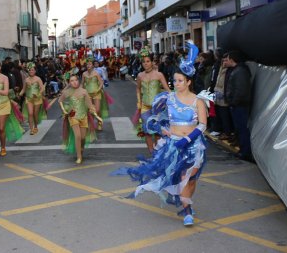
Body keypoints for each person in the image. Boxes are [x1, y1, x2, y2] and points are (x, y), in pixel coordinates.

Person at [113, 41, 208, 227]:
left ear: (188, 82)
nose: (175, 83)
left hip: (194, 145)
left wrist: (188, 138)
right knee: (182, 178)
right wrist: (160, 128)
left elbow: (203, 125)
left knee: (191, 181)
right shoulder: (168, 99)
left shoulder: (198, 101)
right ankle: (187, 211)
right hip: (173, 144)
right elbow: (155, 118)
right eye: (175, 80)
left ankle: (187, 201)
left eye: (180, 80)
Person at [59, 73, 102, 164]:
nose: (74, 82)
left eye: (76, 80)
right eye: (71, 81)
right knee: (77, 136)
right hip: (73, 116)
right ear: (69, 83)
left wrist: (97, 116)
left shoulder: (84, 91)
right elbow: (60, 101)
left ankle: (81, 147)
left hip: (83, 117)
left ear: (78, 81)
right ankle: (79, 156)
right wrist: (64, 110)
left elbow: (90, 105)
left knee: (82, 137)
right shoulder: (68, 92)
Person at [135, 50, 170, 153]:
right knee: (147, 131)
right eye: (144, 62)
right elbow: (138, 89)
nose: (145, 63)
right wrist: (139, 101)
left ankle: (158, 151)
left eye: (148, 61)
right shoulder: (140, 76)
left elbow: (167, 90)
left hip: (158, 108)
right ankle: (152, 152)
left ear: (152, 62)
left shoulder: (159, 75)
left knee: (158, 131)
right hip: (145, 107)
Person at [223, 51, 253, 161]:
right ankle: (242, 150)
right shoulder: (236, 70)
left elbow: (241, 90)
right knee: (239, 129)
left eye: (228, 59)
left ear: (232, 59)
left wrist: (233, 102)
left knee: (242, 129)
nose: (226, 61)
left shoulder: (240, 72)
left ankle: (245, 152)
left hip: (239, 105)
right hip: (237, 104)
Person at [82, 58, 109, 131]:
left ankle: (99, 123)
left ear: (93, 66)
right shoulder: (84, 74)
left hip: (96, 94)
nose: (88, 65)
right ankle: (91, 125)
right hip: (88, 94)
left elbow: (101, 83)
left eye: (90, 64)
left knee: (97, 110)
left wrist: (98, 90)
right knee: (90, 110)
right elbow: (82, 85)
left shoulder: (96, 73)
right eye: (87, 64)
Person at [20, 62, 45, 135]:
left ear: (35, 71)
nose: (31, 71)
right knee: (30, 113)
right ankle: (31, 129)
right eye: (30, 70)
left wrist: (38, 94)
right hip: (29, 99)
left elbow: (42, 88)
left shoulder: (38, 79)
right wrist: (19, 94)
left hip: (37, 99)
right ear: (28, 71)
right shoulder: (26, 80)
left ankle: (36, 126)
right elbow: (23, 89)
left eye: (32, 70)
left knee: (35, 114)